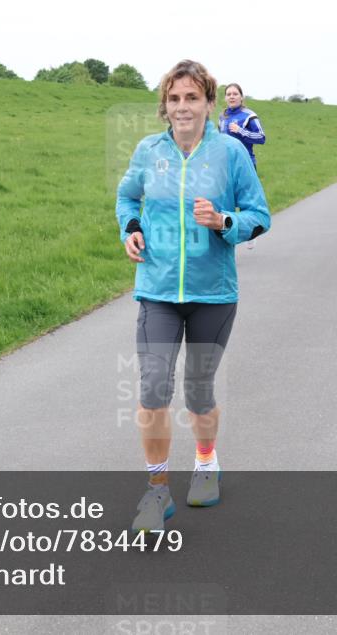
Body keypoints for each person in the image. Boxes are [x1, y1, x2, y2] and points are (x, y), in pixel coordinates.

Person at [116, 60, 271, 532]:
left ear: (208, 102)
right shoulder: (148, 151)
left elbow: (259, 214)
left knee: (198, 389)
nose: (183, 106)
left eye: (192, 97)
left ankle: (206, 463)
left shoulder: (230, 153)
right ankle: (157, 491)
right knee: (152, 388)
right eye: (174, 98)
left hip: (213, 293)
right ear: (165, 105)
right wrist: (132, 227)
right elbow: (126, 199)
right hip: (158, 290)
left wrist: (224, 222)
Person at [218, 83, 266, 169]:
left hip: (245, 165)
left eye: (235, 94)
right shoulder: (222, 116)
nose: (231, 96)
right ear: (225, 98)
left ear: (241, 97)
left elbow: (261, 137)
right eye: (228, 94)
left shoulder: (249, 115)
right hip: (226, 165)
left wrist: (240, 131)